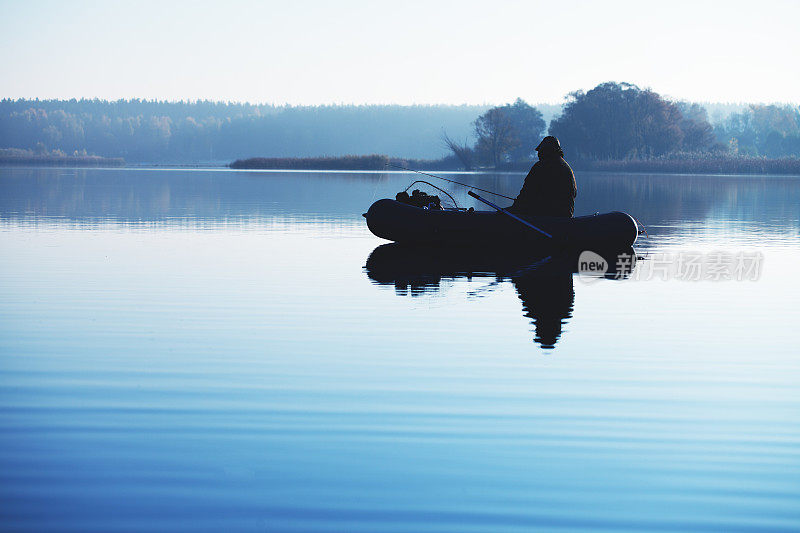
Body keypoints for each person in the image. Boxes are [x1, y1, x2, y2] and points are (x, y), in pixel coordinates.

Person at [509, 136, 577, 218]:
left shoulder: (540, 167)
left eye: (540, 151)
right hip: (566, 216)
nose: (538, 154)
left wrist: (512, 209)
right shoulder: (566, 167)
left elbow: (525, 196)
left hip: (546, 217)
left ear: (545, 151)